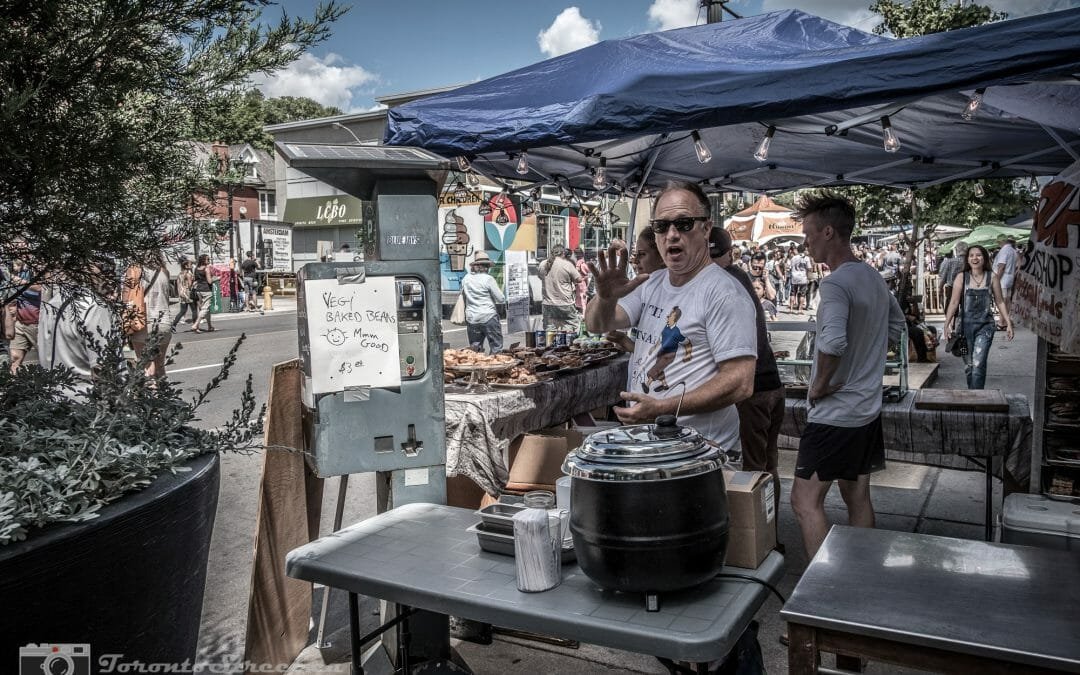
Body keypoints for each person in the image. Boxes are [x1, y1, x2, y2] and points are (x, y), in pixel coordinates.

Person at [585, 181, 757, 451]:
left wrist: (662, 408)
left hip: (701, 450)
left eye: (684, 223)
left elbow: (740, 382)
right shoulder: (652, 282)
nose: (672, 234)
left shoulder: (723, 293)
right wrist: (605, 298)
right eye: (661, 226)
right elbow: (598, 323)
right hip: (652, 443)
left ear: (706, 229)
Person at [788, 192, 905, 561]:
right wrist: (867, 358)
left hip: (835, 414)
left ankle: (822, 595)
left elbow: (834, 342)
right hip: (865, 411)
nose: (804, 243)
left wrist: (820, 384)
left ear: (827, 233)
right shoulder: (872, 277)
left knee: (804, 502)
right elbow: (899, 329)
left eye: (807, 234)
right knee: (857, 497)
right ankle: (862, 581)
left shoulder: (835, 284)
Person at [709, 228, 785, 521]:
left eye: (716, 256)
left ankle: (762, 540)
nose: (712, 263)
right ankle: (771, 535)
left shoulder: (728, 281)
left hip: (756, 390)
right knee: (768, 465)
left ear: (730, 254)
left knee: (756, 470)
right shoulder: (738, 277)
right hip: (771, 385)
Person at [39, 258, 120, 394]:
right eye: (103, 266)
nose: (109, 277)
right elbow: (103, 368)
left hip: (50, 396)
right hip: (85, 399)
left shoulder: (51, 304)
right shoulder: (93, 306)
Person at [942, 244, 1014, 389]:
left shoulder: (992, 277)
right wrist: (947, 324)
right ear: (967, 259)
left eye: (979, 255)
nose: (975, 258)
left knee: (978, 363)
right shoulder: (961, 277)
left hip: (985, 327)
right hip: (964, 328)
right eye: (971, 255)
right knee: (969, 366)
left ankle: (977, 397)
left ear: (985, 258)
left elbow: (1000, 301)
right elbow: (954, 302)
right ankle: (972, 395)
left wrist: (1008, 323)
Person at [608, 231, 665, 353]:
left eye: (642, 254)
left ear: (661, 257)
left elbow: (665, 358)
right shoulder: (643, 287)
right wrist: (624, 341)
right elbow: (649, 353)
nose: (636, 260)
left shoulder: (671, 293)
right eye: (635, 254)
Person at [128, 256, 173, 378]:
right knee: (160, 367)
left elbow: (128, 297)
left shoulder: (135, 271)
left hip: (143, 322)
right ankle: (165, 394)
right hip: (164, 321)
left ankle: (152, 394)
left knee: (146, 367)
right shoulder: (164, 271)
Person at [459, 251, 505, 353]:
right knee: (496, 346)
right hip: (488, 316)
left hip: (472, 317)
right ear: (487, 267)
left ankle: (476, 367)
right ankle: (494, 367)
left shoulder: (466, 279)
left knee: (475, 349)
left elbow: (463, 294)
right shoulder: (488, 279)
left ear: (475, 266)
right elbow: (501, 298)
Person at [8, 259, 43, 373]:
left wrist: (17, 280)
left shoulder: (36, 267)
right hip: (20, 322)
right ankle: (13, 387)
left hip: (38, 323)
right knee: (14, 358)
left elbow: (39, 288)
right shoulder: (14, 269)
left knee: (47, 358)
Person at [537, 245, 581, 330]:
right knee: (571, 327)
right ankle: (568, 342)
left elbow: (540, 277)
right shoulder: (567, 265)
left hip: (548, 303)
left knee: (550, 329)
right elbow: (579, 279)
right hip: (565, 302)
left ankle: (550, 343)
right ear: (563, 253)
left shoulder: (543, 264)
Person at [992, 236, 1018, 327]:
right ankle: (1008, 321)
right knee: (1007, 301)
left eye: (999, 242)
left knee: (1001, 300)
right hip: (1010, 277)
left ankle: (1001, 322)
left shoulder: (1004, 251)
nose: (998, 244)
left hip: (1002, 279)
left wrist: (996, 280)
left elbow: (1001, 266)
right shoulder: (1013, 250)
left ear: (1002, 242)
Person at [937, 242, 968, 311]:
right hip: (967, 288)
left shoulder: (949, 262)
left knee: (951, 310)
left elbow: (943, 277)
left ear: (956, 250)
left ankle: (952, 321)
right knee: (966, 310)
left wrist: (940, 288)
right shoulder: (970, 262)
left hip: (952, 288)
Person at [191, 254, 216, 333]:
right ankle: (196, 324)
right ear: (204, 261)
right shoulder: (206, 269)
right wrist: (217, 278)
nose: (209, 261)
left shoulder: (196, 269)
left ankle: (209, 326)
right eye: (208, 259)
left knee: (206, 309)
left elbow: (195, 279)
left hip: (199, 290)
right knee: (205, 309)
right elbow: (209, 281)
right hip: (206, 290)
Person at [171, 259, 197, 330]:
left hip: (182, 294)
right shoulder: (188, 274)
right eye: (190, 264)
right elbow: (189, 285)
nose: (191, 265)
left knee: (182, 311)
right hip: (189, 294)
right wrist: (194, 282)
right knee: (194, 310)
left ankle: (174, 324)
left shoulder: (180, 274)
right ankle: (195, 325)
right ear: (186, 266)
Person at [788, 245, 810, 313]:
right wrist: (808, 277)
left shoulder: (793, 258)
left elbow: (790, 267)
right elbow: (809, 268)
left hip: (794, 277)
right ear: (804, 250)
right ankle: (800, 309)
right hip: (803, 277)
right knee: (802, 294)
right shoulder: (806, 258)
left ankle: (791, 309)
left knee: (792, 293)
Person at [573, 247, 590, 312]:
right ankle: (584, 314)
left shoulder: (577, 263)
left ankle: (581, 312)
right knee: (583, 298)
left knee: (579, 298)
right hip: (582, 283)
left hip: (578, 283)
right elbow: (587, 271)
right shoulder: (582, 263)